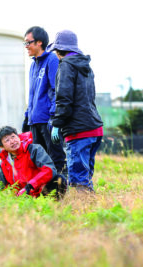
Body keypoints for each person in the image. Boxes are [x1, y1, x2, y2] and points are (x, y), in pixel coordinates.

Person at [47, 30, 104, 192]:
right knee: (85, 176)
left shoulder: (66, 66)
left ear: (58, 51)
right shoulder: (86, 66)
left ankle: (82, 210)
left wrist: (57, 124)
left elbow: (64, 98)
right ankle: (91, 209)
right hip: (94, 128)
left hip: (78, 130)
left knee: (78, 178)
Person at [22, 26, 67, 176]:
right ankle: (44, 191)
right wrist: (27, 116)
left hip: (48, 119)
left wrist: (54, 117)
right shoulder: (32, 65)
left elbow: (57, 90)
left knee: (55, 157)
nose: (26, 46)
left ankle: (61, 189)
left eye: (28, 42)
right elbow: (32, 94)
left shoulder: (52, 59)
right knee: (38, 160)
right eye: (25, 43)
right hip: (34, 121)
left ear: (39, 42)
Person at [0, 126, 67, 199]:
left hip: (39, 192)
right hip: (21, 199)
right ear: (1, 146)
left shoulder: (34, 149)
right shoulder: (3, 162)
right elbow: (1, 186)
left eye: (13, 137)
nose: (12, 141)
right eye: (7, 140)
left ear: (18, 136)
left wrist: (30, 186)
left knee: (59, 180)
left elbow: (49, 170)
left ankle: (50, 206)